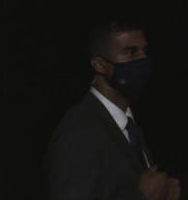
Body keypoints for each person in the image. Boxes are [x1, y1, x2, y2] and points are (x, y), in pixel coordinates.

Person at [45, 18, 181, 200]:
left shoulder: (130, 125)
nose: (142, 60)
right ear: (100, 64)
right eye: (130, 52)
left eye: (144, 51)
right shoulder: (78, 133)